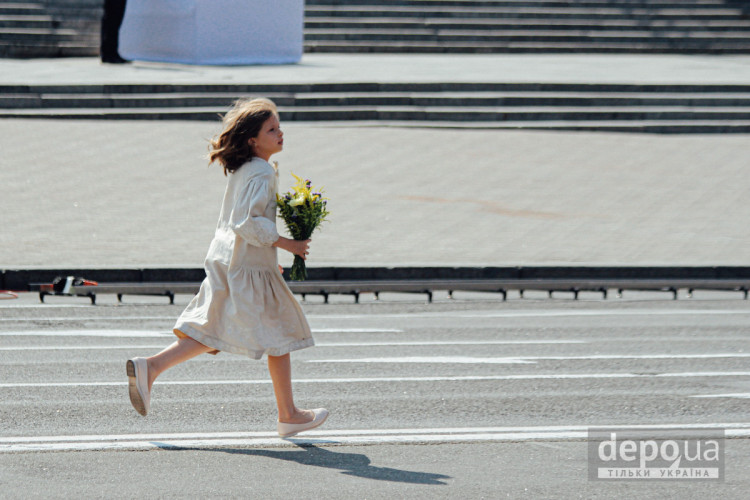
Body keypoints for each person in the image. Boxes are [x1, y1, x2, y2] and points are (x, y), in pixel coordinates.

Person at [126, 98, 328, 438]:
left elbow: (239, 224)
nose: (281, 133)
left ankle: (152, 367)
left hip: (232, 261)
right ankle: (289, 413)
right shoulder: (262, 172)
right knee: (277, 333)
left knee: (221, 329)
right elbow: (246, 223)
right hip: (245, 269)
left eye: (279, 127)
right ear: (252, 139)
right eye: (272, 129)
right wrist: (288, 244)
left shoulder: (247, 168)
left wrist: (268, 261)